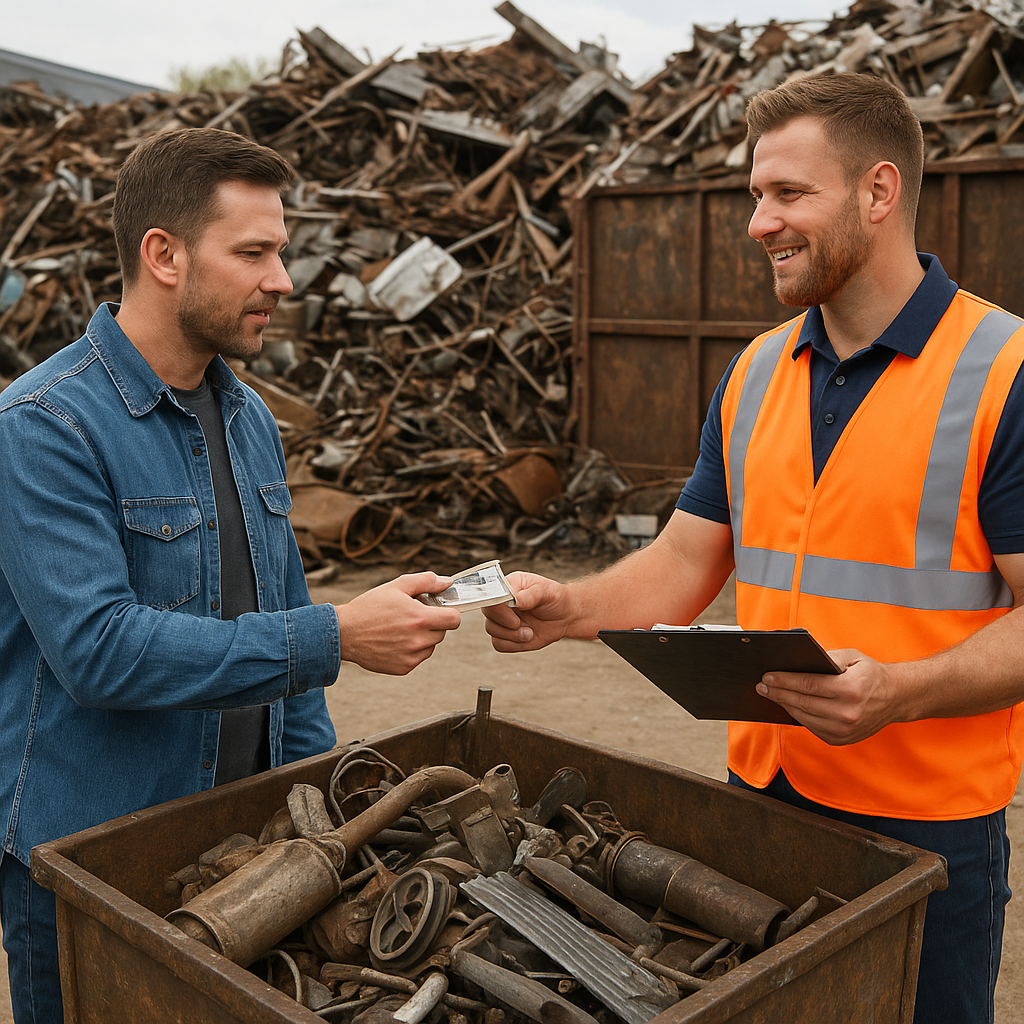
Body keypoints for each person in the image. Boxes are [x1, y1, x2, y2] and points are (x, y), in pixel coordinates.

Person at [484, 72, 1024, 1024]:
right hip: (764, 802)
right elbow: (685, 564)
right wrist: (568, 608)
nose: (757, 222)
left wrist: (897, 691)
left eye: (787, 194)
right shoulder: (757, 372)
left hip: (926, 830)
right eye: (754, 195)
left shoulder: (1003, 374)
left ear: (879, 191)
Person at [0, 127, 462, 1023]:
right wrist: (340, 636)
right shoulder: (42, 427)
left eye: (280, 251)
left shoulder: (246, 416)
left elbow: (279, 620)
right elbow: (100, 651)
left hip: (231, 854)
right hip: (87, 869)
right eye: (253, 252)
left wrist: (316, 818)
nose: (282, 281)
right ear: (163, 255)